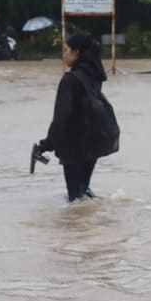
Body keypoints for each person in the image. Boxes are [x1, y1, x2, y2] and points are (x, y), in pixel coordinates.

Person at [38, 33, 108, 202]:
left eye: (66, 50)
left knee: (75, 199)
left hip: (74, 146)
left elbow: (62, 116)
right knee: (83, 192)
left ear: (76, 52)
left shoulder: (70, 80)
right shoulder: (95, 76)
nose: (63, 55)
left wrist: (47, 144)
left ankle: (77, 227)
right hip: (94, 142)